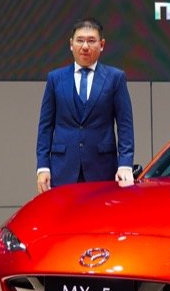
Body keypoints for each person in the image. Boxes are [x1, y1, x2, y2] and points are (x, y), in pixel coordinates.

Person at [36, 18, 135, 194]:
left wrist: (125, 165)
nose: (85, 46)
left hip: (103, 169)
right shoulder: (55, 78)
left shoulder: (115, 78)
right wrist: (43, 167)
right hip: (62, 169)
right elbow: (45, 126)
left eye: (91, 41)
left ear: (102, 44)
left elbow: (125, 125)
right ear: (71, 44)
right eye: (80, 40)